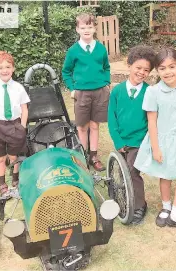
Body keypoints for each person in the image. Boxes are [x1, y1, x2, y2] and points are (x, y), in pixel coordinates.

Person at [134, 48, 176, 231]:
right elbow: (152, 122)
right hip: (162, 141)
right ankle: (166, 207)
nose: (167, 71)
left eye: (172, 66)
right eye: (162, 68)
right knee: (165, 175)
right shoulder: (153, 92)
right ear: (157, 71)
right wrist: (155, 148)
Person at [108, 45, 156, 225]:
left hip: (139, 143)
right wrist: (118, 140)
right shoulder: (117, 91)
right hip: (122, 141)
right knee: (122, 171)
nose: (141, 72)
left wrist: (146, 142)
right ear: (129, 65)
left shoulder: (149, 92)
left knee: (133, 172)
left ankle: (139, 206)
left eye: (146, 70)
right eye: (138, 68)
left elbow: (151, 120)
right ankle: (126, 200)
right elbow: (111, 118)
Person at [62, 13, 111, 171]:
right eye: (83, 27)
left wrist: (107, 83)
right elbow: (66, 72)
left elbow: (106, 67)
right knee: (82, 126)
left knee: (95, 125)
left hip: (99, 92)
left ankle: (93, 156)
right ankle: (82, 157)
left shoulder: (101, 49)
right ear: (77, 29)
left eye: (89, 27)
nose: (87, 30)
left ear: (94, 28)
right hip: (82, 93)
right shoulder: (73, 51)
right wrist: (72, 89)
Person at [0, 51, 30, 197]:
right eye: (0, 68)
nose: (4, 70)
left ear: (13, 68)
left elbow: (24, 109)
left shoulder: (19, 88)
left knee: (14, 156)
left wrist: (22, 126)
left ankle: (15, 179)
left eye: (8, 67)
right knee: (1, 158)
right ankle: (2, 184)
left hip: (15, 125)